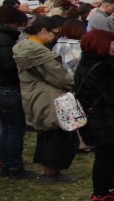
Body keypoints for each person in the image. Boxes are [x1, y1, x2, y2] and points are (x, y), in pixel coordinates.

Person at [75, 29, 114, 201]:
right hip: (104, 118)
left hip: (95, 116)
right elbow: (113, 95)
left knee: (108, 153)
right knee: (105, 155)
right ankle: (101, 191)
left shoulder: (85, 63)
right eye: (112, 42)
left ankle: (108, 186)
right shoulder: (104, 67)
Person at [14, 16, 77, 183]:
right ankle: (51, 171)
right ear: (43, 31)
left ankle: (46, 168)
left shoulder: (21, 47)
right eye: (54, 33)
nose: (55, 37)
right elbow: (59, 76)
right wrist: (70, 84)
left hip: (31, 92)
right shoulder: (42, 53)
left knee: (45, 133)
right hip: (49, 95)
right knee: (57, 133)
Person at [0, 5, 33, 178]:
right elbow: (8, 65)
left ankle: (6, 164)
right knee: (15, 129)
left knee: (6, 128)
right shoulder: (3, 38)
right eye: (17, 24)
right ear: (10, 22)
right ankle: (15, 167)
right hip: (6, 87)